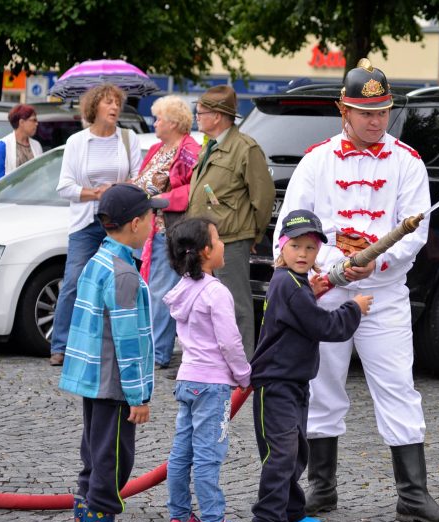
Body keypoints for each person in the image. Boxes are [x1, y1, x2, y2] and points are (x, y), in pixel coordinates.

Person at [277, 58, 439, 522]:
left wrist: (376, 261)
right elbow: (291, 226)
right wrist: (331, 265)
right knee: (322, 385)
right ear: (344, 110)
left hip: (385, 294)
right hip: (327, 292)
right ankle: (321, 486)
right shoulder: (316, 160)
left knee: (398, 385)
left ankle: (413, 495)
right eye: (365, 112)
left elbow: (417, 234)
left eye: (382, 111)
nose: (375, 120)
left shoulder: (408, 162)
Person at [250, 210, 369, 522]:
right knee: (282, 453)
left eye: (311, 248)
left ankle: (290, 511)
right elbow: (323, 326)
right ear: (282, 248)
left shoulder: (294, 283)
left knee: (297, 450)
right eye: (296, 247)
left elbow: (301, 313)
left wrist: (310, 292)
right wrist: (354, 308)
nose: (303, 254)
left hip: (294, 381)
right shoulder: (289, 286)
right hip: (275, 385)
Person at [58, 183, 165, 522]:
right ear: (135, 223)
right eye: (152, 216)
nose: (155, 222)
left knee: (94, 460)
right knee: (112, 467)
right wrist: (139, 397)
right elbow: (127, 341)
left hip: (94, 382)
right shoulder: (123, 274)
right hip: (115, 388)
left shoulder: (98, 260)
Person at [162, 217, 253, 522]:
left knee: (180, 455)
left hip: (187, 380)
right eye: (218, 239)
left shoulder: (182, 290)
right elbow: (230, 342)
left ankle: (180, 518)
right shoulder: (216, 292)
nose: (224, 243)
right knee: (208, 457)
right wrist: (244, 375)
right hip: (213, 386)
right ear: (205, 251)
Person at [51, 84, 142, 367]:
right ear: (94, 108)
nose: (114, 107)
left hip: (117, 222)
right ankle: (61, 345)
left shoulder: (128, 139)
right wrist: (95, 193)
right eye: (108, 103)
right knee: (75, 281)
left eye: (117, 102)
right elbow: (64, 187)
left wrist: (115, 189)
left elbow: (139, 181)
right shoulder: (77, 142)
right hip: (86, 220)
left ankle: (122, 342)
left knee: (122, 282)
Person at [187, 85, 274, 357]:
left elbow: (264, 196)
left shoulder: (244, 148)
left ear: (217, 116)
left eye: (200, 112)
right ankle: (212, 359)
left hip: (231, 239)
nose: (197, 116)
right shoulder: (211, 145)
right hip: (205, 241)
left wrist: (253, 236)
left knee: (236, 305)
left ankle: (243, 364)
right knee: (207, 303)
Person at [132, 95, 202, 369]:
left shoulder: (189, 151)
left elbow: (194, 191)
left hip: (169, 231)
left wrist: (164, 200)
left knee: (161, 292)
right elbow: (143, 180)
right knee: (151, 290)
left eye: (159, 118)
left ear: (173, 123)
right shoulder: (157, 149)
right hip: (149, 230)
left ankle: (157, 353)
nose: (155, 122)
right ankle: (153, 349)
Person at [0, 104, 44, 174]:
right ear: (21, 122)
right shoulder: (3, 145)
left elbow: (41, 172)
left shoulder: (36, 145)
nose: (36, 124)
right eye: (33, 120)